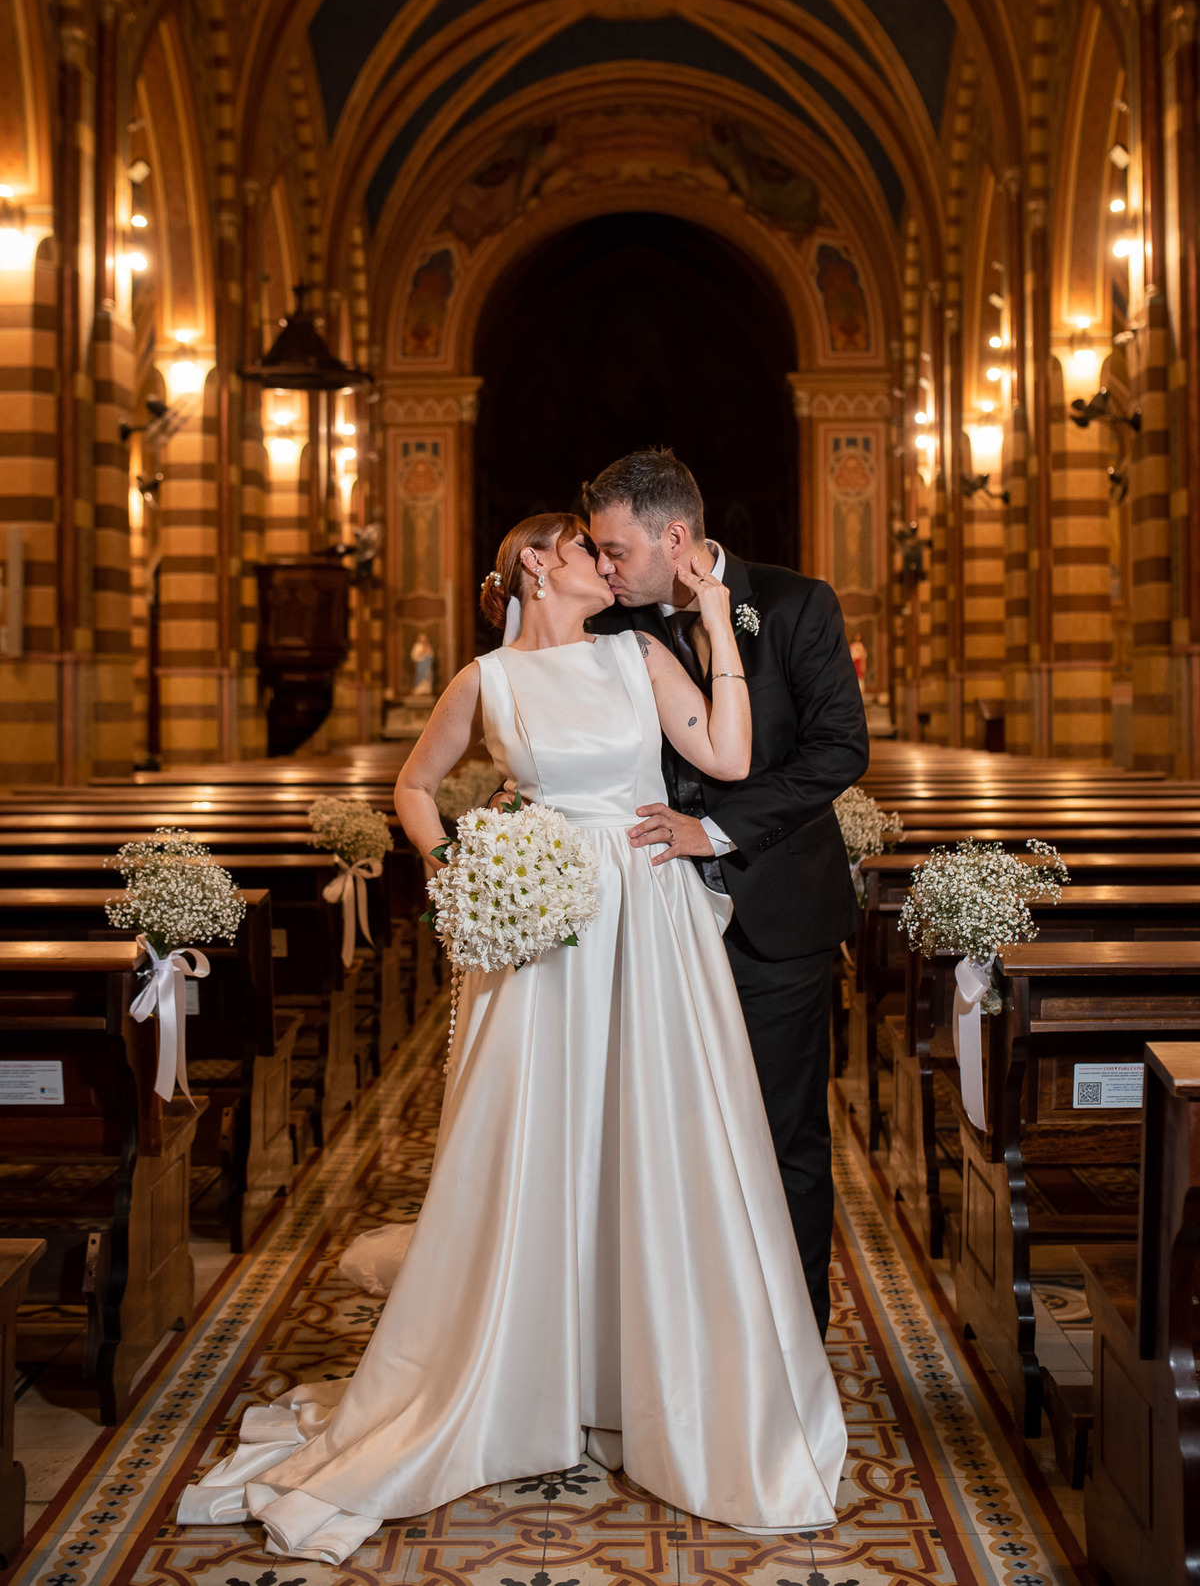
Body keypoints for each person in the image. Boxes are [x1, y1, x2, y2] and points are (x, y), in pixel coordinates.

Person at [177, 510, 845, 1560]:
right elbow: (414, 786)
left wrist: (715, 621)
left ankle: (649, 1363)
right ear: (538, 564)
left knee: (652, 1131)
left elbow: (728, 749)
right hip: (540, 925)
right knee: (541, 1137)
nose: (608, 566)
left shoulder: (639, 651)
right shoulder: (485, 680)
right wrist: (462, 868)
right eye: (588, 550)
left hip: (648, 914)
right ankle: (530, 1364)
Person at [585, 450, 869, 1339]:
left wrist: (717, 829)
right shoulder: (612, 633)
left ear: (675, 538)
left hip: (777, 915)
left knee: (786, 1141)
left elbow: (838, 752)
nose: (603, 568)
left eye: (615, 550)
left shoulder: (793, 604)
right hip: (658, 919)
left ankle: (794, 1343)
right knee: (668, 1138)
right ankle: (691, 1343)